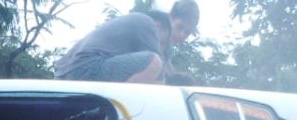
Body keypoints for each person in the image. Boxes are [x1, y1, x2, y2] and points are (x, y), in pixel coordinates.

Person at [54, 0, 199, 84]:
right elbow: (160, 74)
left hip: (67, 72)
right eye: (180, 27)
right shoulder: (148, 24)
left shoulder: (149, 38)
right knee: (155, 65)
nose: (181, 35)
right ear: (169, 18)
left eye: (187, 32)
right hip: (84, 69)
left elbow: (171, 73)